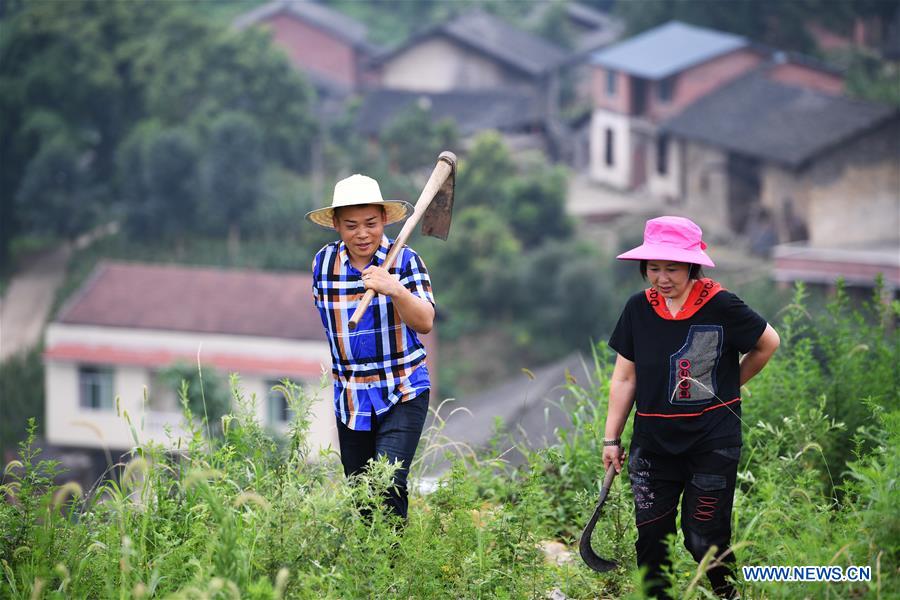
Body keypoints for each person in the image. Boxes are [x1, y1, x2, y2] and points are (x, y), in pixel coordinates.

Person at [602, 216, 780, 599]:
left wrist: (728, 386)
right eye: (653, 268)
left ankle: (729, 594)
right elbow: (625, 378)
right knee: (652, 540)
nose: (662, 278)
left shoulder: (721, 305)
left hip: (711, 441)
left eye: (672, 268)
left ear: (691, 265)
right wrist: (611, 438)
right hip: (652, 446)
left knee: (704, 538)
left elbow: (768, 343)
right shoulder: (638, 309)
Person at [307, 173, 435, 520]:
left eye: (370, 224)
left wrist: (395, 289)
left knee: (387, 483)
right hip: (351, 397)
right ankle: (381, 555)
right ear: (336, 225)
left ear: (384, 220)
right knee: (362, 497)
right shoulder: (323, 264)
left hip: (402, 388)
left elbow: (425, 321)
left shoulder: (405, 261)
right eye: (351, 226)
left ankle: (393, 556)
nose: (362, 234)